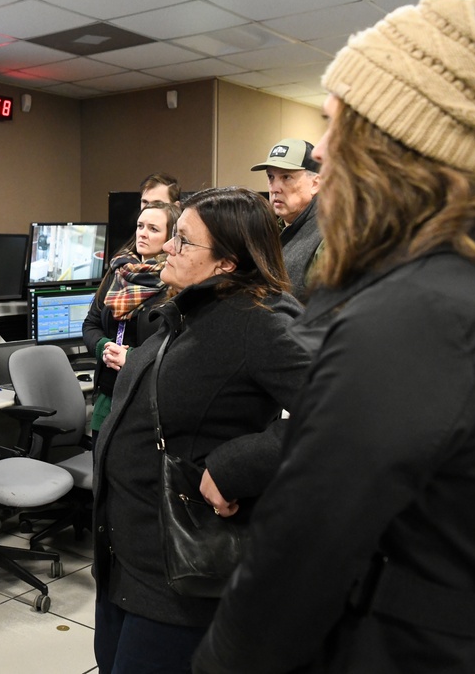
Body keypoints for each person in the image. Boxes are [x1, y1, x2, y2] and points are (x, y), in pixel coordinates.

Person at [193, 0, 475, 672]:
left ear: (393, 145)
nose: (326, 151)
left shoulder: (413, 319)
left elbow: (303, 548)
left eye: (338, 126)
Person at [92, 187, 312, 673]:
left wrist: (240, 465)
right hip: (126, 554)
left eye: (184, 241)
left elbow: (341, 416)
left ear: (228, 263)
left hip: (178, 573)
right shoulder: (189, 309)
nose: (168, 246)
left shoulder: (262, 322)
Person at [82, 200, 174, 443]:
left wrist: (131, 358)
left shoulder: (175, 284)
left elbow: (174, 347)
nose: (143, 233)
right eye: (140, 226)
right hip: (108, 391)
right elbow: (91, 324)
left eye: (153, 229)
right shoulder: (119, 271)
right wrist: (104, 348)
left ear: (172, 236)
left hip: (147, 399)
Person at [250, 138, 322, 299]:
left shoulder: (329, 236)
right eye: (271, 177)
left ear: (315, 184)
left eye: (286, 177)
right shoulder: (270, 230)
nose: (274, 188)